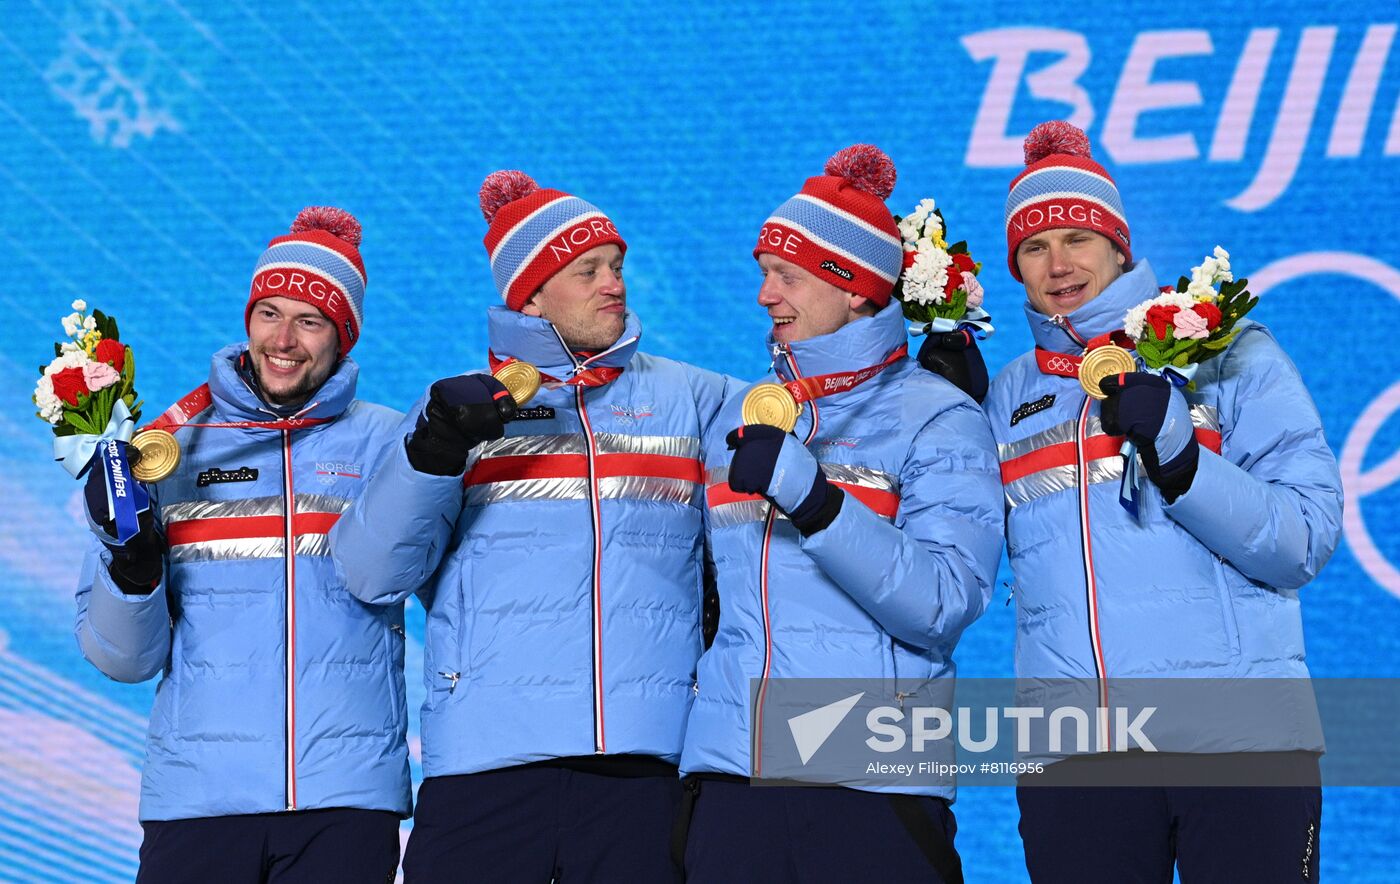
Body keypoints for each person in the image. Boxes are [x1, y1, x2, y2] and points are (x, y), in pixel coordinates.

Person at [331, 171, 733, 882]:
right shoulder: (456, 409)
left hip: (644, 762)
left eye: (616, 267)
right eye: (588, 271)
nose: (615, 284)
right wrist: (432, 450)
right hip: (487, 764)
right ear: (532, 293)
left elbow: (821, 425)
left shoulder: (693, 400)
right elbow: (369, 573)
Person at [973, 121, 1342, 882]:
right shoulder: (1002, 397)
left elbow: (1304, 538)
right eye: (1034, 248)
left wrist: (1182, 461)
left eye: (1078, 237)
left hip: (1240, 745)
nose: (1059, 264)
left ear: (1119, 244)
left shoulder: (1229, 355)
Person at [677, 145, 1004, 883]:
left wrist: (817, 500)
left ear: (853, 289)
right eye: (764, 273)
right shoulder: (734, 413)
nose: (765, 295)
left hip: (873, 784)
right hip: (735, 779)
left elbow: (945, 602)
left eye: (786, 276)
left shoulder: (939, 417)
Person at [75, 208, 409, 883]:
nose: (282, 340)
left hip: (343, 804)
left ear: (342, 336)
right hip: (198, 802)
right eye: (269, 314)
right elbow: (121, 658)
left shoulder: (388, 444)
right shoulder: (167, 449)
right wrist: (131, 567)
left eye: (310, 321)